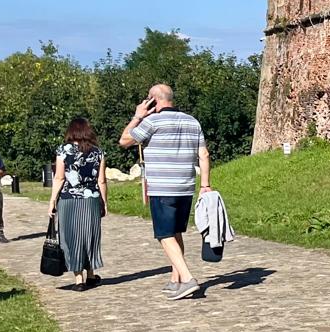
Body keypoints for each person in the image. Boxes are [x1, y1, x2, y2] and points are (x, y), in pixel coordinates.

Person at [119, 83, 211, 299]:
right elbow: (204, 154)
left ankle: (188, 278)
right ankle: (175, 279)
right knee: (176, 232)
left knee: (164, 234)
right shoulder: (192, 121)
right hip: (185, 187)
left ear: (153, 100)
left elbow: (124, 141)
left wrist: (137, 116)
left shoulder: (151, 121)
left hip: (163, 187)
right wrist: (205, 185)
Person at [47, 118, 107, 290]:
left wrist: (52, 201)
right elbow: (101, 180)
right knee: (90, 236)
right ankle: (91, 275)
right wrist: (104, 201)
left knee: (71, 238)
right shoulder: (98, 152)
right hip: (91, 200)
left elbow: (59, 177)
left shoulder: (63, 150)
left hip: (69, 199)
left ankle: (78, 279)